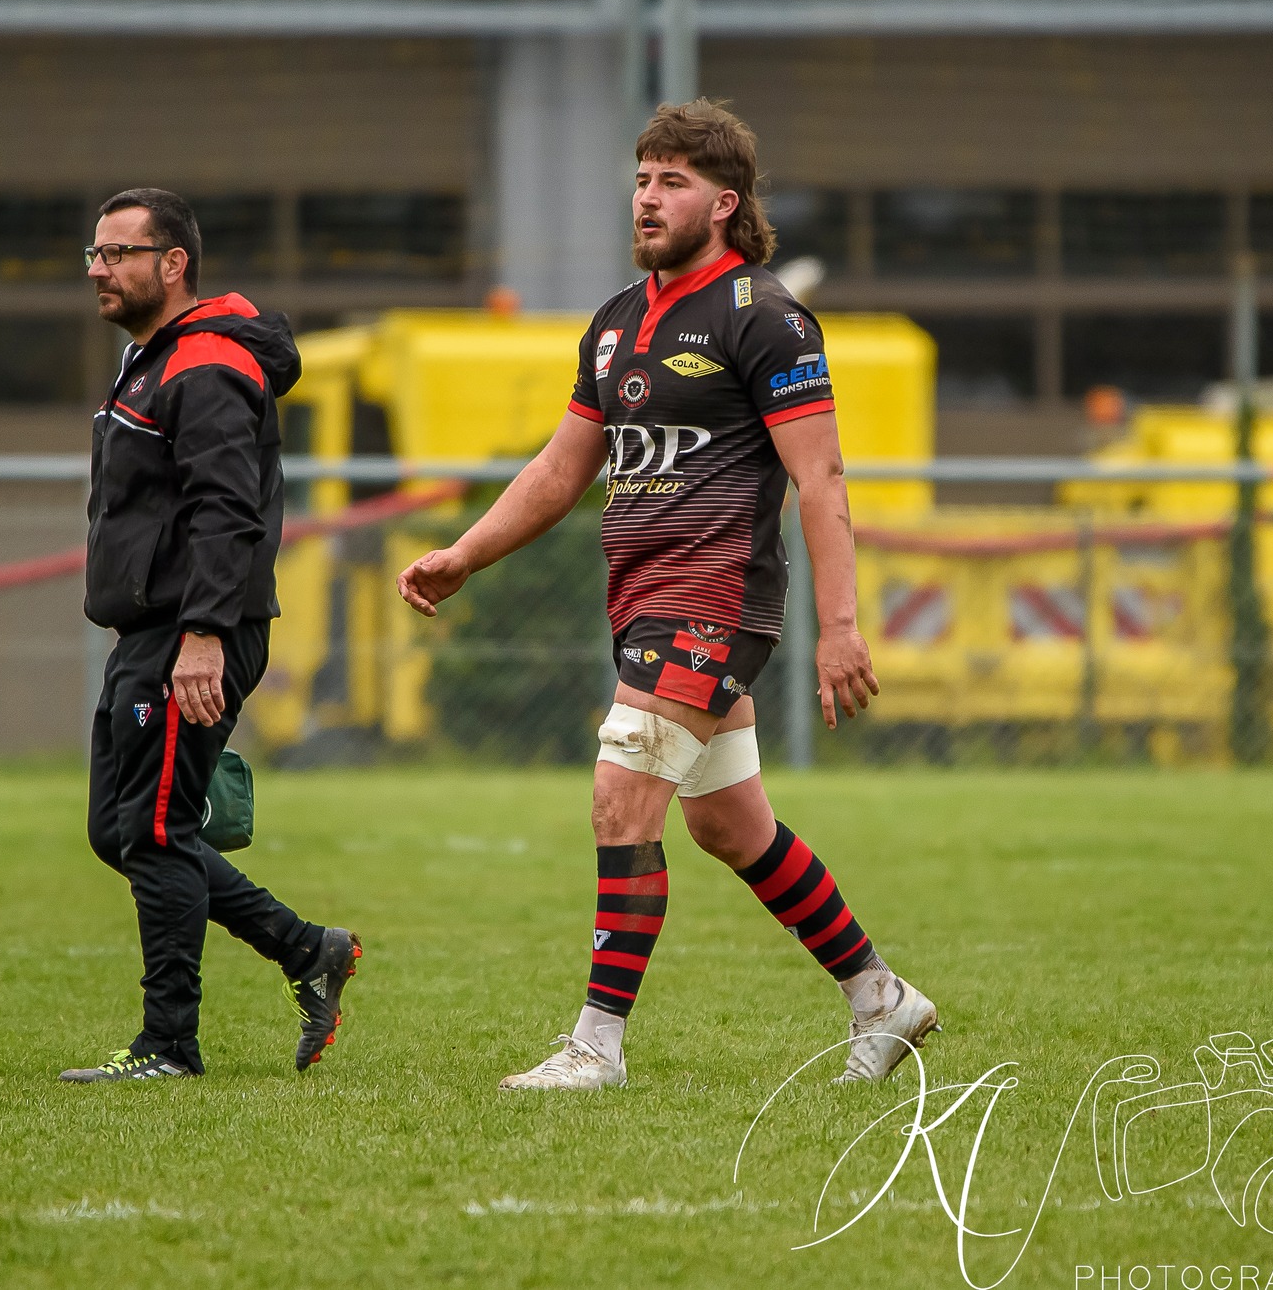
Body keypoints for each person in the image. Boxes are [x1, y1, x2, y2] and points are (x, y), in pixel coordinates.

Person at [396, 103, 938, 1091]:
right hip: (642, 602)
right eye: (641, 178)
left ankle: (592, 1048)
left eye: (672, 181)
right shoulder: (613, 325)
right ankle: (879, 997)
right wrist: (465, 552)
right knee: (726, 825)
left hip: (713, 598)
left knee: (619, 794)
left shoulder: (762, 316)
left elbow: (819, 480)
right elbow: (562, 469)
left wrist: (841, 627)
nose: (647, 197)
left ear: (723, 204)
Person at [61, 187, 360, 1084]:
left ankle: (169, 1045)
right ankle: (308, 949)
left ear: (174, 263)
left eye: (120, 254)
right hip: (149, 631)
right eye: (96, 254)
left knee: (153, 833)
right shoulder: (150, 359)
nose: (101, 269)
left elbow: (227, 513)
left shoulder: (208, 364)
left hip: (194, 633)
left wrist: (203, 637)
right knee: (121, 833)